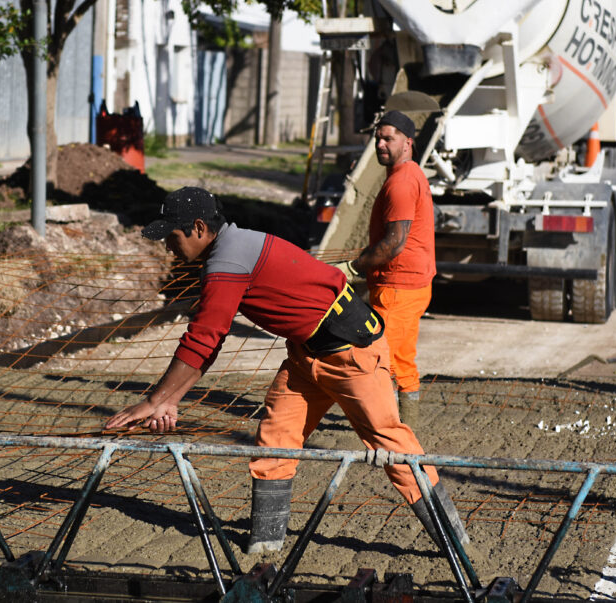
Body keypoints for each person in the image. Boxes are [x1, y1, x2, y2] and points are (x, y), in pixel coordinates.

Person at [103, 186, 472, 556]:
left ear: (199, 228)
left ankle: (455, 542)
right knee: (276, 439)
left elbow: (204, 338)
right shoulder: (232, 248)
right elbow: (207, 340)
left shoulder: (228, 261)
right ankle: (265, 544)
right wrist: (168, 401)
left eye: (172, 236)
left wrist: (155, 401)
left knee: (391, 445)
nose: (169, 246)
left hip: (350, 353)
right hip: (306, 355)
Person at [336, 110, 434, 430]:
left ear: (408, 143)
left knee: (389, 359)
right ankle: (394, 422)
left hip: (399, 287)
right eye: (378, 138)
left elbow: (393, 244)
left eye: (388, 138)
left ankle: (401, 430)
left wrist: (353, 267)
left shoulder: (403, 181)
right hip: (404, 284)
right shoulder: (409, 174)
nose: (380, 144)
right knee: (393, 355)